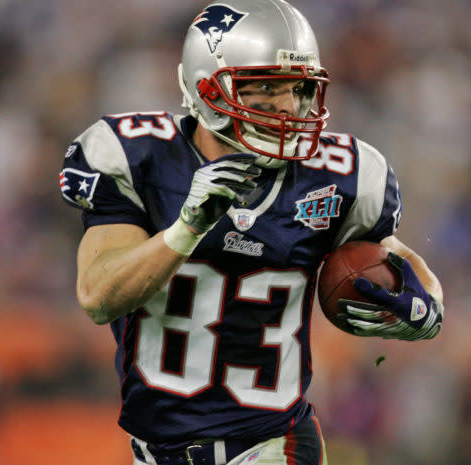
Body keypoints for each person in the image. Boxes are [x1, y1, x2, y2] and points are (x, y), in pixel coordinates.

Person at [58, 1, 444, 464]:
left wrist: (428, 306)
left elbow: (395, 257)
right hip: (154, 451)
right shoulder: (137, 158)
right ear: (206, 87)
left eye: (298, 88)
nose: (287, 105)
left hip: (274, 444)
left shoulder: (340, 176)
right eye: (265, 87)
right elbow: (98, 295)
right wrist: (185, 230)